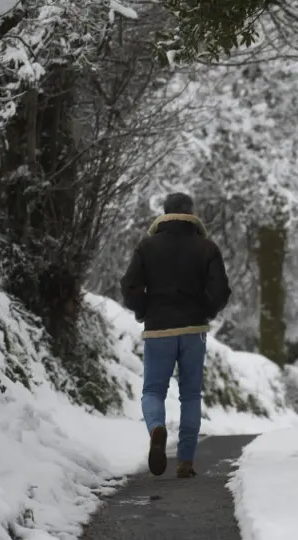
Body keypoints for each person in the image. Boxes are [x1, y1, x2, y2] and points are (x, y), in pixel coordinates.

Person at [120, 193, 231, 478]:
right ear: (191, 214)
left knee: (153, 391)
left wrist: (145, 310)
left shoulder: (147, 246)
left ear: (165, 214)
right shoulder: (206, 247)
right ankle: (185, 461)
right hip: (194, 331)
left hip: (158, 329)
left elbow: (130, 286)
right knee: (191, 394)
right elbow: (220, 291)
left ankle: (157, 428)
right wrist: (203, 310)